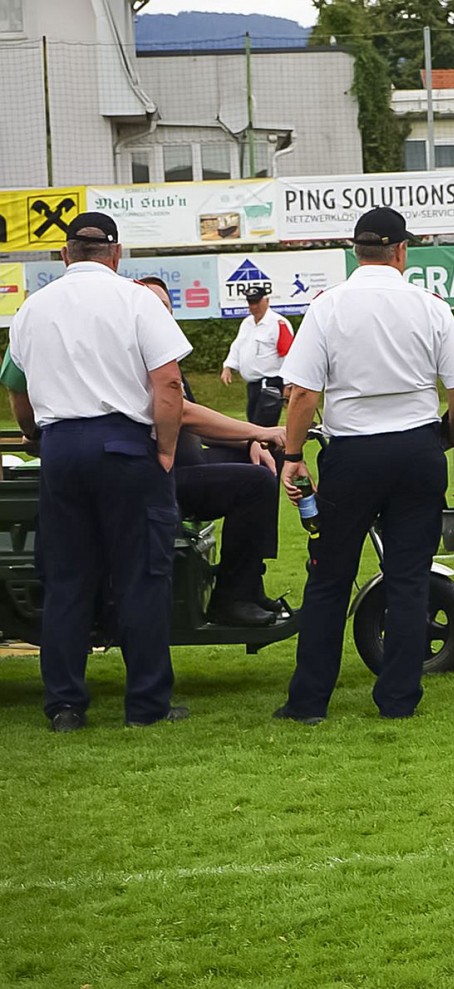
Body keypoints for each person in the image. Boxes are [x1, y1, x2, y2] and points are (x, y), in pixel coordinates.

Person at [273, 207, 454, 723]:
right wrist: (446, 439)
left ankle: (308, 702)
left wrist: (293, 456)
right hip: (416, 450)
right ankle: (399, 699)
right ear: (401, 251)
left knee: (328, 578)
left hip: (352, 454)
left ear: (356, 251)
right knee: (408, 578)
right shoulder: (430, 306)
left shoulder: (327, 306)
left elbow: (302, 394)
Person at [3, 212, 192, 731]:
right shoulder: (136, 300)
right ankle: (147, 706)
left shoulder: (32, 308)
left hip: (61, 447)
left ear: (64, 254)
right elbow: (168, 384)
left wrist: (36, 434)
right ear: (116, 253)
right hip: (125, 445)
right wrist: (167, 449)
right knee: (141, 578)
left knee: (66, 581)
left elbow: (17, 389)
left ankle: (65, 705)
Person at [137, 277, 288, 626]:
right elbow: (184, 414)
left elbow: (195, 424)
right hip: (162, 476)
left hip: (189, 464)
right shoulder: (142, 357)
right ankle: (231, 598)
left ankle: (250, 580)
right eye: (153, 306)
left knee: (270, 454)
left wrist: (253, 441)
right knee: (255, 483)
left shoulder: (163, 356)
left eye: (166, 307)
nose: (161, 313)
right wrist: (256, 430)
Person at [220, 288, 295, 426]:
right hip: (253, 385)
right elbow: (237, 346)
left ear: (267, 301)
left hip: (270, 384)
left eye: (257, 302)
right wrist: (228, 366)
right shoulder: (247, 323)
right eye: (250, 303)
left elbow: (289, 353)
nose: (254, 307)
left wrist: (288, 384)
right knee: (253, 423)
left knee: (263, 427)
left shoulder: (278, 323)